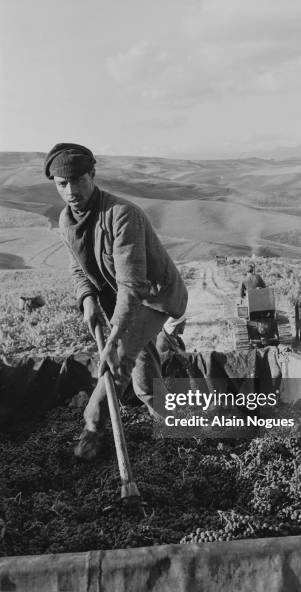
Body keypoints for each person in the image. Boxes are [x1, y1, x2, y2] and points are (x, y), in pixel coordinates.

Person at [44, 143, 188, 459]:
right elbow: (77, 267)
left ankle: (92, 427)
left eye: (78, 180)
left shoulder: (121, 215)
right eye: (62, 184)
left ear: (92, 175)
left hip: (155, 298)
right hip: (119, 303)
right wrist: (88, 300)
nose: (70, 190)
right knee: (143, 378)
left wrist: (115, 336)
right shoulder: (66, 221)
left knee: (118, 358)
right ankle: (172, 419)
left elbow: (132, 285)